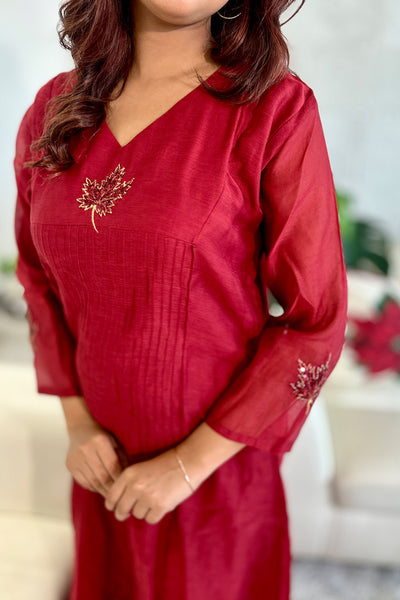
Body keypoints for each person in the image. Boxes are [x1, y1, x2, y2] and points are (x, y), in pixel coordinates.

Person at [13, 0, 347, 597]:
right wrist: (78, 423)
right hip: (103, 471)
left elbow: (314, 320)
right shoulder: (53, 110)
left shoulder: (273, 109)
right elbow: (37, 280)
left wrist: (188, 465)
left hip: (215, 480)